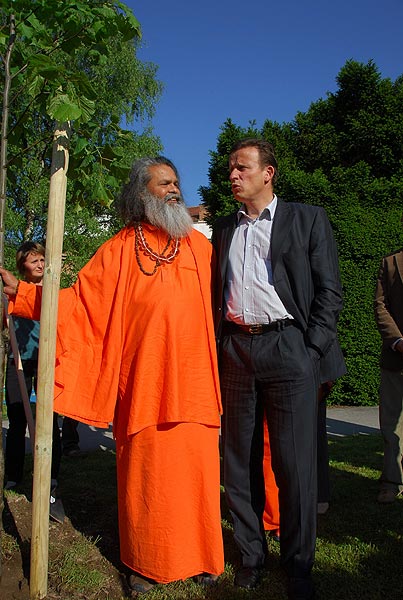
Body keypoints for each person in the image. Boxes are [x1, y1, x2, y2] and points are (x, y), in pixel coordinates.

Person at [1, 157, 224, 594]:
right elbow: (78, 305)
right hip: (144, 385)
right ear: (142, 194)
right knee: (149, 477)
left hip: (195, 382)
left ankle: (201, 555)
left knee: (195, 473)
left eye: (177, 181)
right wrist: (24, 293)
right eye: (164, 183)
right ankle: (147, 560)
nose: (175, 189)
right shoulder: (121, 247)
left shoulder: (201, 248)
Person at [212, 139, 343, 600]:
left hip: (289, 347)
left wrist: (310, 350)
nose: (232, 175)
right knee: (238, 461)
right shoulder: (224, 228)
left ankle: (299, 564)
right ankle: (251, 557)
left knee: (294, 464)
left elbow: (330, 291)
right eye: (230, 168)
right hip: (236, 351)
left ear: (268, 173)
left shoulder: (307, 219)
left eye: (241, 168)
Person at [263, 342, 347, 538]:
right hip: (277, 356)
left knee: (305, 436)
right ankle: (275, 513)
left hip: (310, 359)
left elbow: (324, 317)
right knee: (273, 440)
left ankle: (307, 504)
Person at [4, 242, 63, 517]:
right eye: (33, 261)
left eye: (42, 259)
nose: (39, 264)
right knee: (17, 417)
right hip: (18, 361)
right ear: (22, 267)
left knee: (48, 420)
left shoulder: (52, 292)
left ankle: (51, 479)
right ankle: (14, 475)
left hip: (46, 361)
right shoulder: (13, 293)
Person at [374, 248, 403, 504]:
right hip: (397, 357)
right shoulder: (391, 261)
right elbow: (380, 305)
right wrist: (397, 340)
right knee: (391, 425)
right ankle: (392, 482)